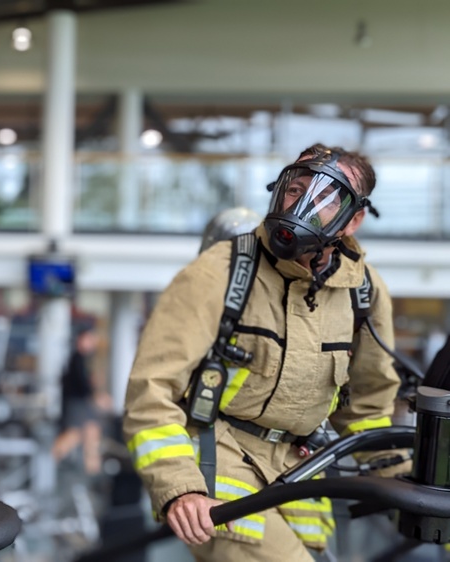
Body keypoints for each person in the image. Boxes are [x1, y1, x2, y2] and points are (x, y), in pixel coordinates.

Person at [123, 144, 406, 561]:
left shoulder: (363, 291)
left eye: (327, 198)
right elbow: (151, 391)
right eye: (295, 190)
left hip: (301, 472)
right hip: (217, 465)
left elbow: (367, 411)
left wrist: (408, 484)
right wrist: (180, 487)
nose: (302, 205)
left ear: (354, 220)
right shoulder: (221, 270)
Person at [51, 324, 111, 475]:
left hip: (79, 406)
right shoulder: (78, 359)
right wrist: (97, 397)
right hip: (77, 406)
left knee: (90, 433)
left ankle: (92, 472)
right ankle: (49, 463)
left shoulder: (84, 359)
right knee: (76, 435)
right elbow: (83, 385)